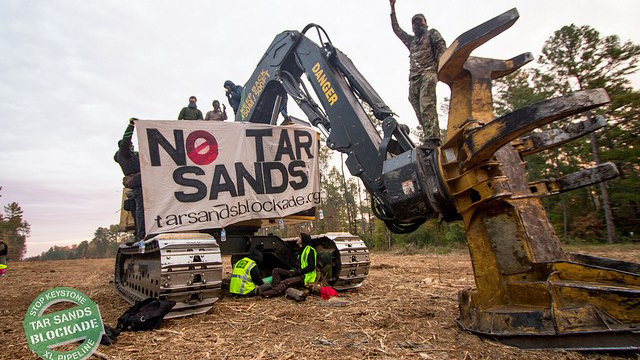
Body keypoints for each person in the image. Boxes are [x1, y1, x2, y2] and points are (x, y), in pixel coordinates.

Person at [389, 0, 446, 147]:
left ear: (425, 23)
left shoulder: (432, 34)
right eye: (414, 23)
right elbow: (397, 30)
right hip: (414, 78)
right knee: (416, 103)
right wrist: (392, 9)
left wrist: (443, 67)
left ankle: (433, 139)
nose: (417, 24)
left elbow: (442, 48)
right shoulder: (411, 41)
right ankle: (429, 135)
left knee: (427, 103)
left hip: (429, 72)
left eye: (419, 22)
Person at [114, 118, 145, 241]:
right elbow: (126, 142)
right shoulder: (124, 154)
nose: (132, 146)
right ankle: (142, 235)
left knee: (143, 210)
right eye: (130, 145)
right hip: (138, 184)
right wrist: (131, 126)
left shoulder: (134, 156)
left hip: (142, 182)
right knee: (141, 210)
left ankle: (141, 233)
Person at [262, 233, 317, 298]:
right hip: (296, 272)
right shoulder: (300, 250)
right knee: (276, 270)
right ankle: (275, 290)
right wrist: (294, 271)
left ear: (303, 239)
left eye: (299, 237)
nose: (298, 238)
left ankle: (266, 294)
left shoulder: (310, 250)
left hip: (305, 275)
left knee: (286, 282)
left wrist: (299, 272)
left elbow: (311, 267)